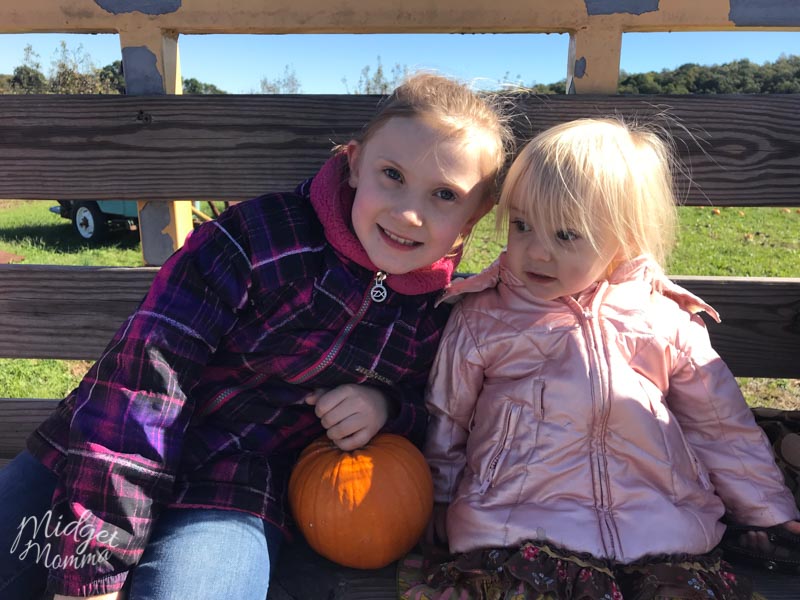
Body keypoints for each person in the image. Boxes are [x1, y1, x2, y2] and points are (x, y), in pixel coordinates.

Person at [0, 72, 512, 600]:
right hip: (96, 455)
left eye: (445, 195)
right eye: (392, 174)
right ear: (354, 164)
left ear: (476, 215)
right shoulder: (256, 239)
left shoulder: (435, 313)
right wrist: (92, 571)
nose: (409, 212)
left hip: (233, 490)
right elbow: (144, 381)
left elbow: (430, 408)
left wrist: (386, 406)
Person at [400, 118, 800, 600]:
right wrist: (438, 498)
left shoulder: (663, 320)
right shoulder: (485, 317)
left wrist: (767, 512)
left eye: (566, 235)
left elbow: (720, 426)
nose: (536, 251)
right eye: (523, 225)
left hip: (662, 528)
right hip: (517, 526)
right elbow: (447, 418)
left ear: (625, 238)